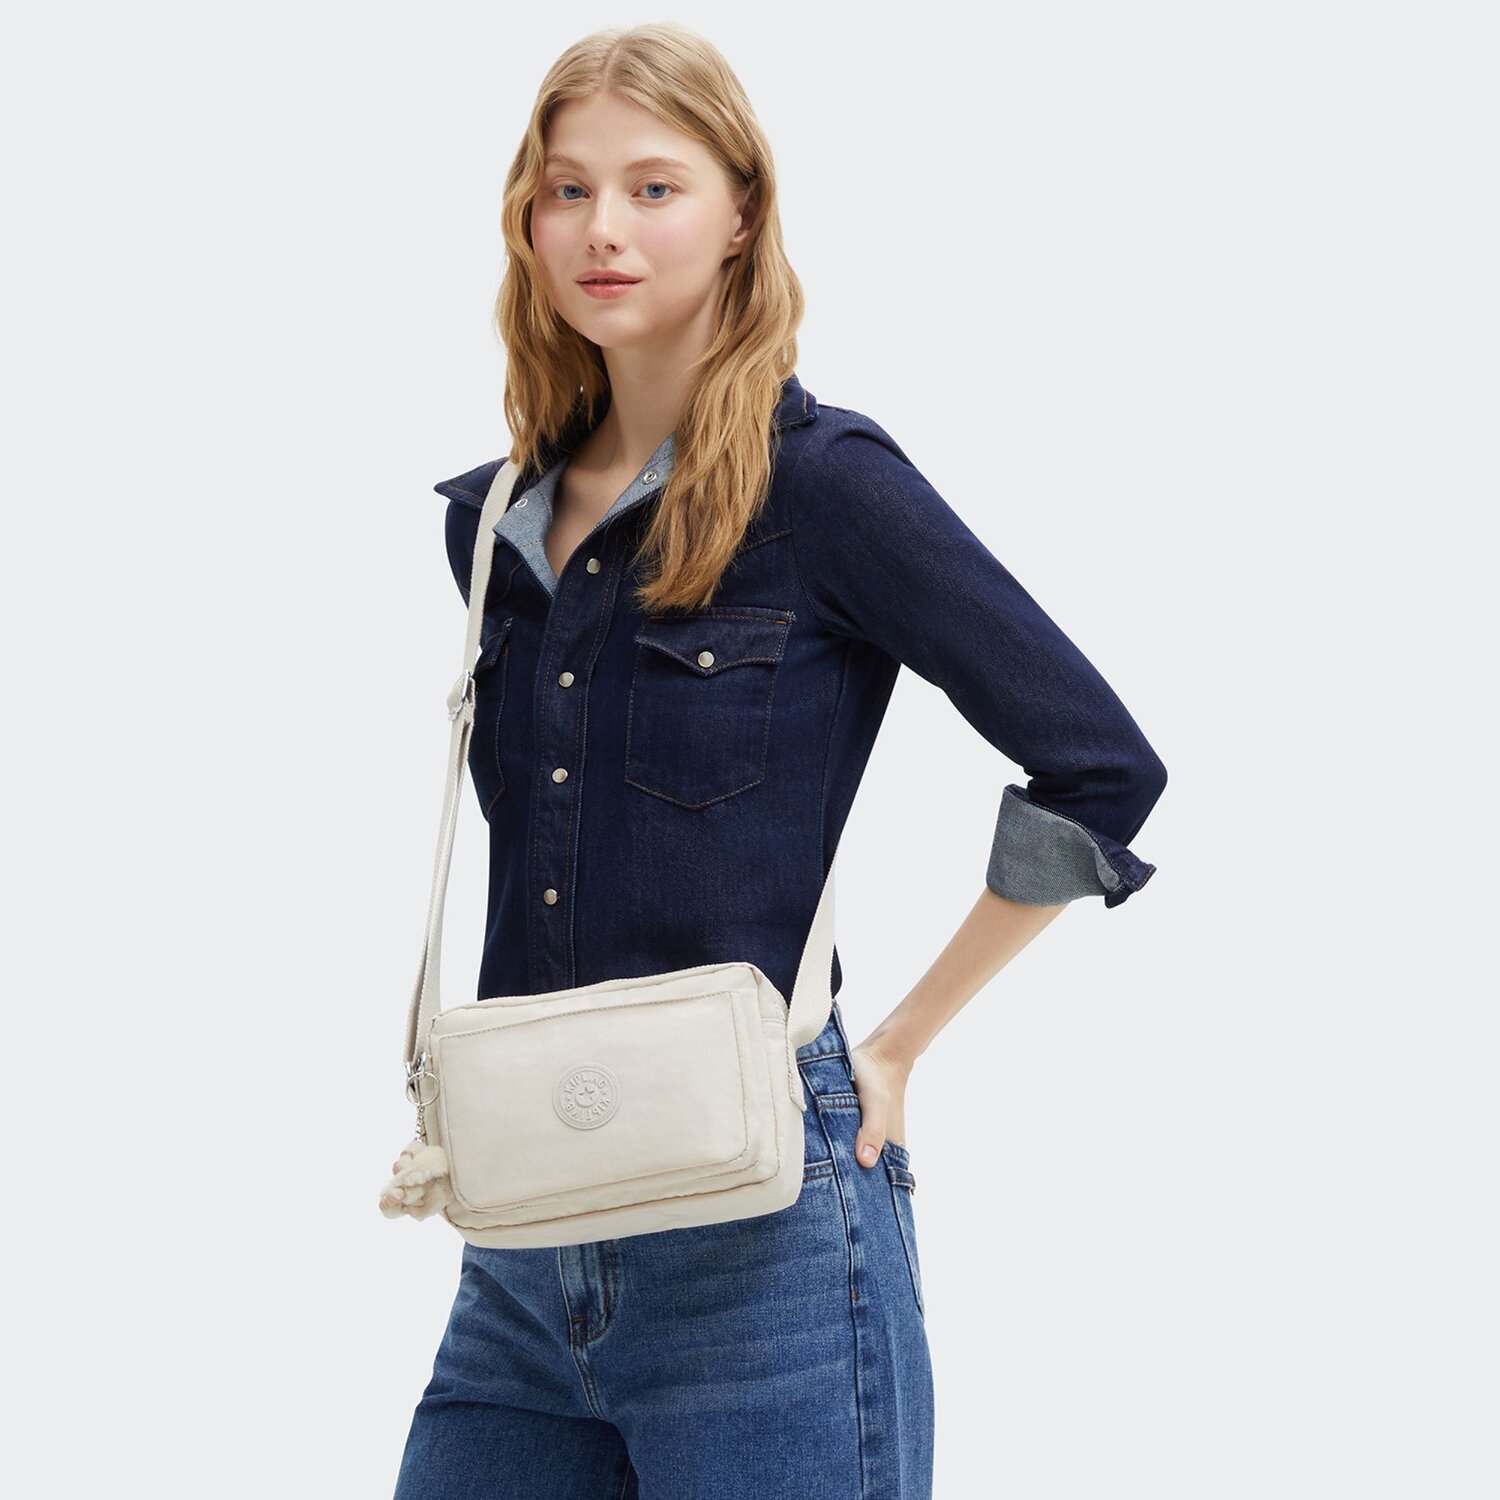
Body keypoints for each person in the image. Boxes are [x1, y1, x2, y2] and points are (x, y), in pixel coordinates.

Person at [392, 22, 1167, 1500]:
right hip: (521, 1245)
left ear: (742, 211)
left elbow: (1101, 765)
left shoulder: (823, 489)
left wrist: (899, 1044)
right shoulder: (490, 524)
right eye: (567, 190)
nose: (602, 229)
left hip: (764, 1243)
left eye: (654, 188)